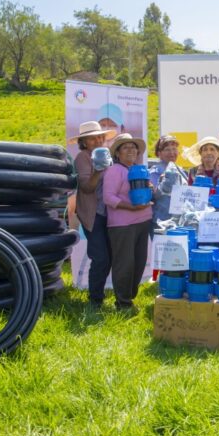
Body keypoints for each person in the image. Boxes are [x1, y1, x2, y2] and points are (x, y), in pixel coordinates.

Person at [103, 133, 153, 310]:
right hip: (123, 225)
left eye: (134, 147)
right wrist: (131, 208)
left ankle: (129, 296)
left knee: (139, 263)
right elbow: (108, 197)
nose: (131, 150)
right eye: (126, 147)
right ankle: (123, 303)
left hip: (143, 221)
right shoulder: (114, 170)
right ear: (117, 153)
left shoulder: (139, 169)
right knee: (124, 264)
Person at [71, 121, 116, 307]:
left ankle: (97, 294)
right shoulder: (83, 157)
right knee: (100, 257)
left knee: (108, 257)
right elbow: (86, 187)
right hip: (93, 214)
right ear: (84, 142)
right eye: (93, 137)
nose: (98, 139)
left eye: (100, 136)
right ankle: (95, 299)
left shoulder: (108, 156)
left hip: (109, 213)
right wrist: (97, 171)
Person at [149, 135, 188, 225]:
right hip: (162, 221)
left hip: (180, 221)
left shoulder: (181, 171)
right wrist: (163, 183)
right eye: (167, 149)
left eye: (174, 149)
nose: (172, 152)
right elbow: (153, 195)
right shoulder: (155, 171)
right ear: (159, 153)